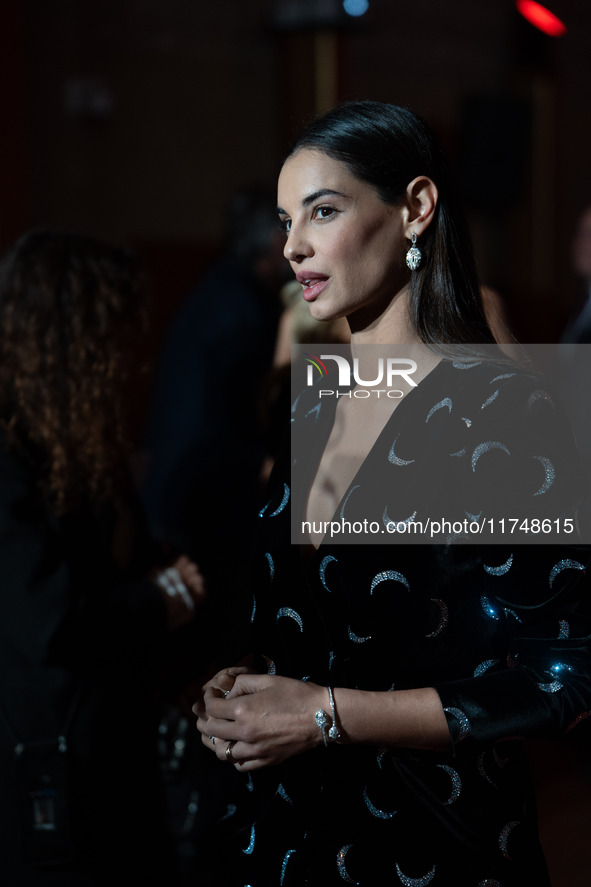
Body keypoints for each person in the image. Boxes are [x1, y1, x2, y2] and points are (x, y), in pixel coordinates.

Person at [194, 101, 591, 887]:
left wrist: (322, 714)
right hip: (278, 838)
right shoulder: (318, 391)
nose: (292, 246)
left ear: (414, 207)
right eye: (283, 219)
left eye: (323, 210)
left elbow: (567, 676)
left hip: (426, 845)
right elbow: (306, 614)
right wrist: (247, 681)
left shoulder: (502, 409)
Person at [0, 229, 206, 886]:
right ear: (71, 340)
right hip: (51, 762)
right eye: (112, 335)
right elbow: (50, 623)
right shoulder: (10, 449)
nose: (130, 358)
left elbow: (124, 564)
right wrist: (163, 597)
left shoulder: (79, 430)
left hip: (111, 741)